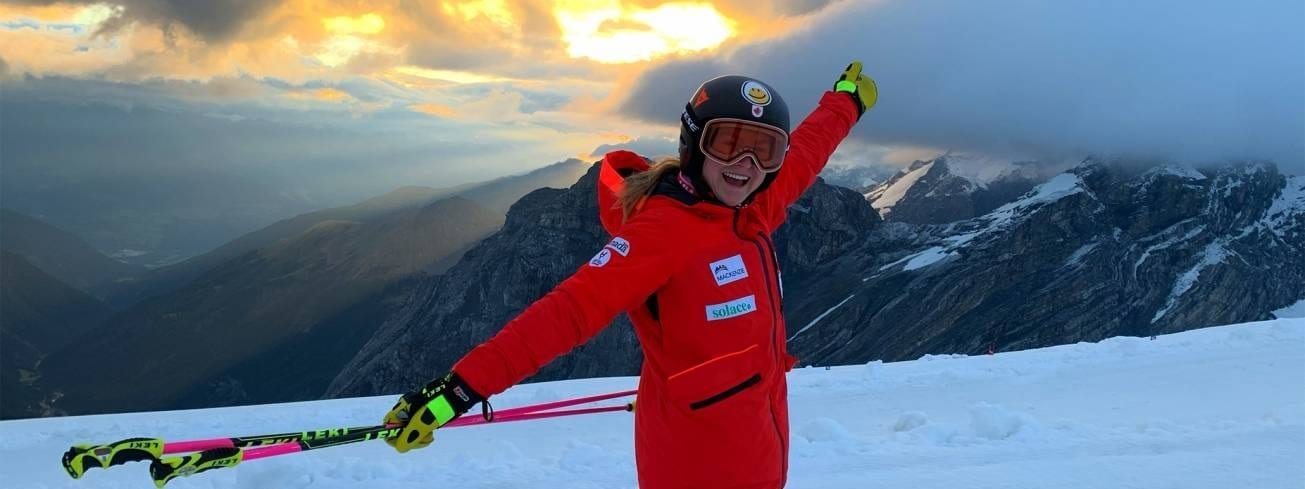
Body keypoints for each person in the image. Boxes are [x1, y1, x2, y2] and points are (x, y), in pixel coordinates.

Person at [382, 61, 878, 489]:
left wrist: (845, 102)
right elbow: (568, 312)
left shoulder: (749, 211)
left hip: (758, 451)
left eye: (765, 151)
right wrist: (458, 390)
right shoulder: (663, 233)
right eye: (728, 144)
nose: (746, 164)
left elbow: (807, 153)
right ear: (693, 144)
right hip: (694, 467)